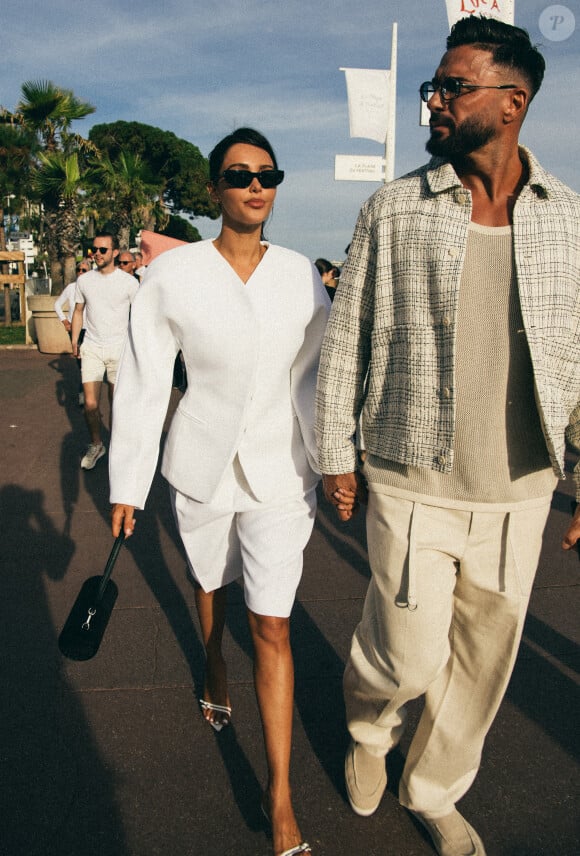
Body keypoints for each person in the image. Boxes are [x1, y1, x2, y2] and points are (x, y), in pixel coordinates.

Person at [315, 16, 579, 856]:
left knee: (481, 668)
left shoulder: (568, 219)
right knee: (408, 658)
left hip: (521, 489)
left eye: (451, 86)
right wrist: (334, 456)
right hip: (411, 474)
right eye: (432, 86)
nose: (432, 100)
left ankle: (433, 789)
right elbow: (345, 339)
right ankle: (369, 729)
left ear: (511, 103)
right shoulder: (394, 207)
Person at [109, 127, 330, 856]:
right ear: (213, 192)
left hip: (279, 474)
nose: (255, 186)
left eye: (268, 173)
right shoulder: (173, 278)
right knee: (210, 582)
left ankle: (281, 797)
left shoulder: (301, 275)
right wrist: (128, 484)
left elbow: (316, 380)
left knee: (273, 623)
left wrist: (334, 458)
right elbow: (143, 384)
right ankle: (211, 658)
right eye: (238, 175)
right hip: (200, 466)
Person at [71, 232, 139, 470]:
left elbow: (140, 315)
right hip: (92, 347)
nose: (96, 254)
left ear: (114, 252)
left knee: (116, 403)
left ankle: (119, 448)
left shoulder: (129, 283)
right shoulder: (84, 281)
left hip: (119, 349)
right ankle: (96, 444)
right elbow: (78, 311)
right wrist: (74, 341)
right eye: (94, 250)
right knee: (90, 404)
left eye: (102, 250)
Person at [55, 259, 91, 405]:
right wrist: (64, 321)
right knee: (81, 363)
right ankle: (84, 392)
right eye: (79, 270)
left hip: (90, 329)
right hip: (75, 329)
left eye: (84, 270)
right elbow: (57, 304)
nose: (81, 273)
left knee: (87, 363)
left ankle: (85, 393)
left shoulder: (93, 287)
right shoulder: (71, 287)